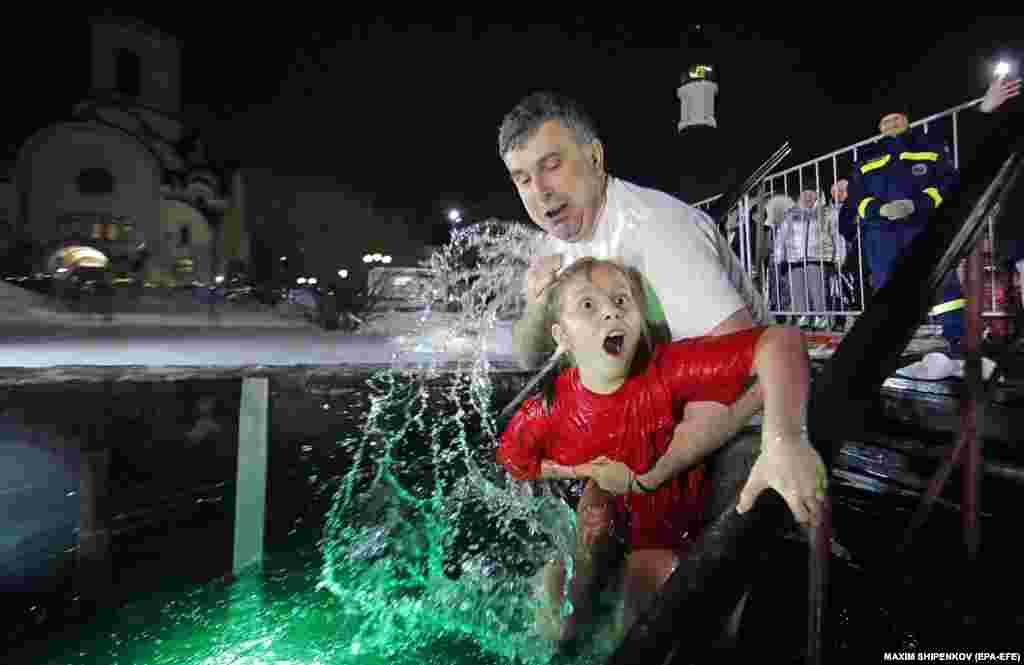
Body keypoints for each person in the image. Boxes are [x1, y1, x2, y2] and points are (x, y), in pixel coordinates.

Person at [498, 90, 825, 642]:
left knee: (693, 599)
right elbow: (531, 355)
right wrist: (537, 302)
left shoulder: (657, 234)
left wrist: (652, 471)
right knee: (577, 581)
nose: (540, 192)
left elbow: (752, 375)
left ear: (595, 159)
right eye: (523, 178)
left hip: (735, 423)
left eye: (552, 165)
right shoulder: (570, 242)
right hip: (650, 418)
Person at [496, 257, 820, 641]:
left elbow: (784, 340)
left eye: (621, 301)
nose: (610, 314)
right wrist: (583, 471)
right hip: (609, 532)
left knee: (650, 574)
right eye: (588, 306)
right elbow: (515, 460)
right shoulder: (548, 409)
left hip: (665, 539)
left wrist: (785, 437)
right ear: (561, 335)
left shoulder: (668, 371)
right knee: (558, 584)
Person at [839, 76, 1021, 354]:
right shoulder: (865, 159)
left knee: (943, 286)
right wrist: (879, 209)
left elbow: (947, 184)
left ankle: (960, 340)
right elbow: (855, 199)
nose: (892, 125)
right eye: (886, 122)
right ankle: (885, 346)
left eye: (897, 119)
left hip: (921, 228)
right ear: (879, 128)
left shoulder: (928, 147)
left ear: (907, 121)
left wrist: (917, 204)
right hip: (881, 235)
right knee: (887, 291)